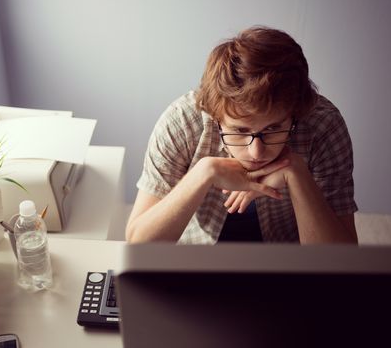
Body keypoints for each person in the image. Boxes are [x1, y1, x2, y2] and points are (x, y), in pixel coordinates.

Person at [126, 26, 358, 244]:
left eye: (273, 129)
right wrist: (203, 174)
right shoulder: (182, 122)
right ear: (215, 115)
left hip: (287, 264)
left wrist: (296, 173)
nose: (256, 152)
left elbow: (341, 264)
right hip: (195, 260)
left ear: (295, 113)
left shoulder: (323, 125)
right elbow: (138, 243)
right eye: (239, 131)